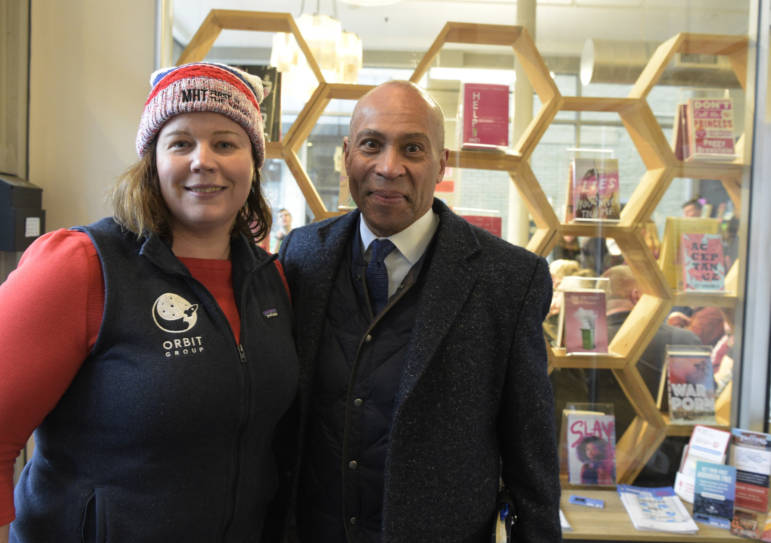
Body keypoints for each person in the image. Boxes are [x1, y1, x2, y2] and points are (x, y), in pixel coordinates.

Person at [0, 63, 298, 542]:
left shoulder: (271, 279)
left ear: (253, 161)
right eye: (180, 142)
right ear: (152, 160)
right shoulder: (81, 265)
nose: (204, 160)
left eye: (225, 142)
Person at [279, 80, 560, 542]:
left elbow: (532, 462)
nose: (389, 168)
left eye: (412, 148)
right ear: (348, 154)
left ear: (441, 163)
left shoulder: (508, 280)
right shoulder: (303, 256)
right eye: (372, 145)